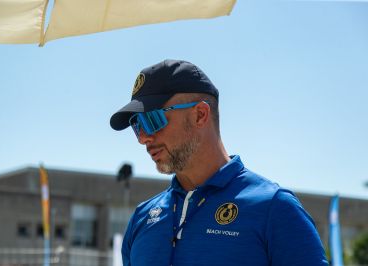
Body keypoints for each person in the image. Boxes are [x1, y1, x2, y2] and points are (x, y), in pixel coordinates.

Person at [110, 59, 328, 266]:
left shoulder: (275, 209)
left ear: (200, 115)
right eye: (137, 125)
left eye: (151, 120)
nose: (143, 138)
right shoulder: (142, 217)